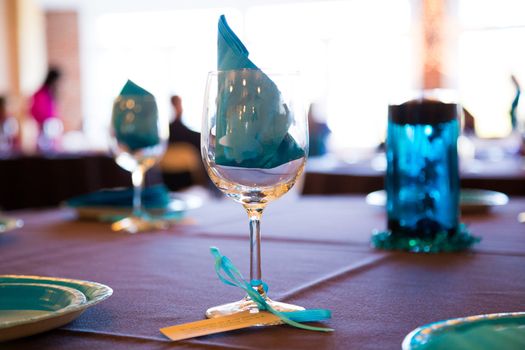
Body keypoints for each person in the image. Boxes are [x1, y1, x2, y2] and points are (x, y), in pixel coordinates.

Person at [29, 68, 63, 152]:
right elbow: (33, 111)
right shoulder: (40, 94)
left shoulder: (50, 93)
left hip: (52, 131)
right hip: (44, 132)